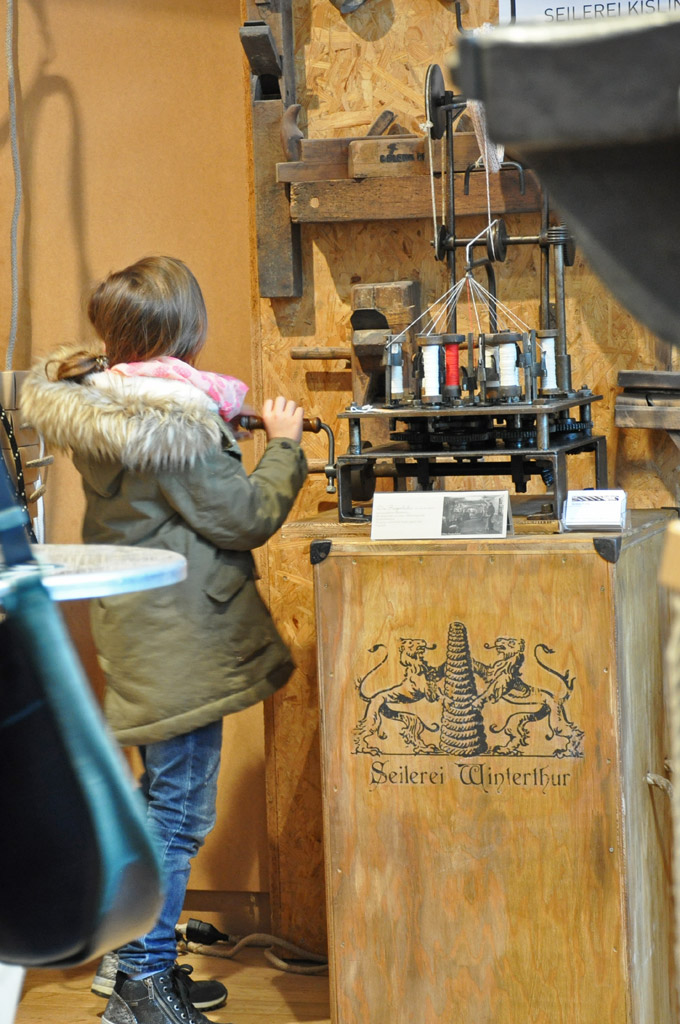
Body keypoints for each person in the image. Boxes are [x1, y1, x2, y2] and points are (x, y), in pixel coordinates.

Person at [20, 255, 308, 1024]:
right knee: (178, 815)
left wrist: (225, 427)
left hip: (142, 633)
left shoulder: (110, 408)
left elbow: (171, 492)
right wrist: (285, 445)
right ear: (189, 329)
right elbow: (244, 515)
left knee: (157, 802)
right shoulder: (177, 424)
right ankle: (143, 985)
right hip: (183, 641)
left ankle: (130, 966)